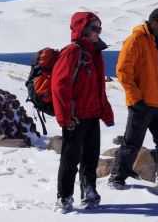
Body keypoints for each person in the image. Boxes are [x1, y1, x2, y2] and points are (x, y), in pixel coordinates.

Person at [108, 8, 158, 191]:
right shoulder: (136, 40)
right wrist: (136, 99)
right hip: (141, 104)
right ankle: (116, 177)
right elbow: (122, 72)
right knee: (132, 143)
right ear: (155, 23)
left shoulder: (155, 43)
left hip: (155, 104)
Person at [52, 12, 114, 213]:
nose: (97, 32)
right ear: (83, 29)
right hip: (75, 118)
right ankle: (64, 198)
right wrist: (64, 117)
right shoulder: (72, 52)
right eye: (94, 28)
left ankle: (89, 192)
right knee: (70, 159)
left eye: (99, 28)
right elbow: (59, 86)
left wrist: (105, 111)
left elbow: (98, 88)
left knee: (90, 157)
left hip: (92, 115)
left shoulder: (94, 53)